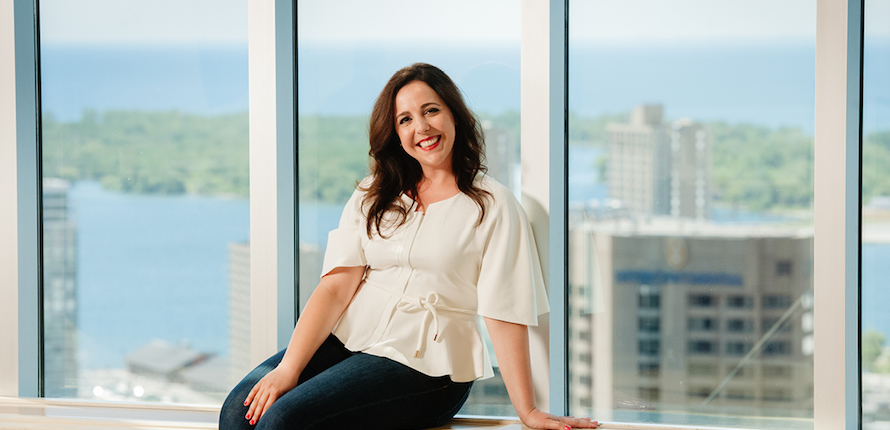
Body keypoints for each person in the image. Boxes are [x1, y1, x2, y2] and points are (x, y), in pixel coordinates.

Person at [219, 63, 599, 430]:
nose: (422, 127)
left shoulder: (493, 204)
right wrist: (289, 368)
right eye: (405, 119)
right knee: (238, 411)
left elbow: (505, 311)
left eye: (431, 110)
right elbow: (334, 288)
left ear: (454, 115)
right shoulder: (372, 193)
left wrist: (527, 409)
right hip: (351, 340)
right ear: (396, 134)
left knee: (284, 420)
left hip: (431, 368)